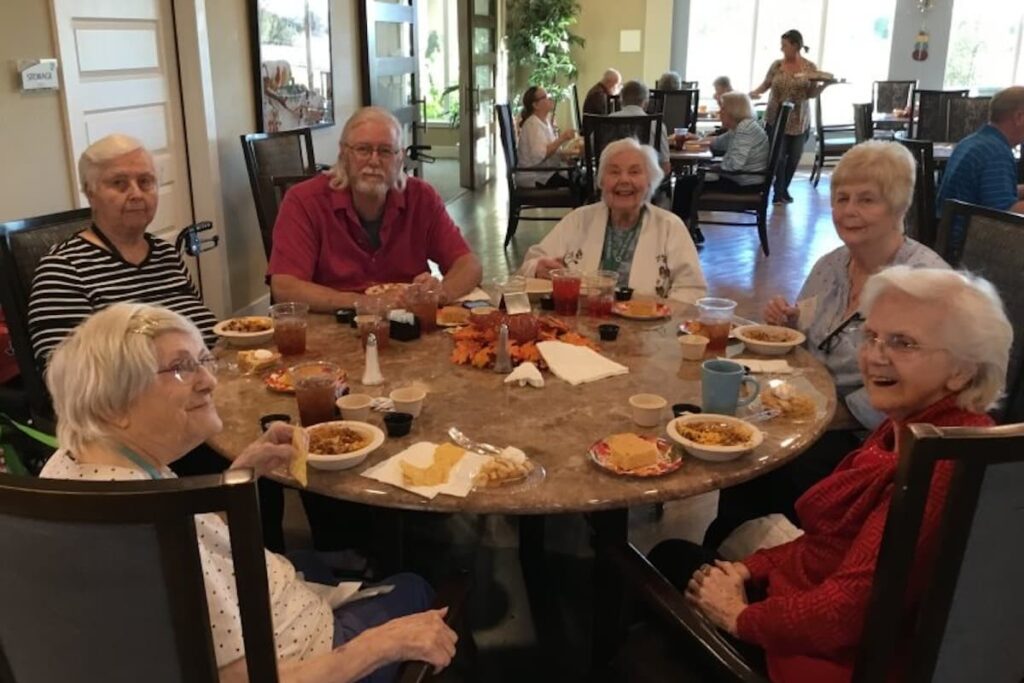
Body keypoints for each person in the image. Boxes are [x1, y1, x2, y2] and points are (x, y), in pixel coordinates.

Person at [39, 303, 458, 682]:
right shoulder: (148, 535)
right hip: (310, 662)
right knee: (414, 584)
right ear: (112, 404)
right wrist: (380, 645)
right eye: (181, 368)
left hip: (268, 611)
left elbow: (196, 545)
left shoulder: (81, 467)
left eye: (204, 360)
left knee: (317, 560)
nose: (207, 381)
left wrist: (243, 472)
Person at [650, 265, 1011, 683]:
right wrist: (753, 567)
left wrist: (740, 616)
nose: (875, 355)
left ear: (963, 370)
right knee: (676, 556)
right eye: (872, 336)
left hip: (826, 659)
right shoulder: (919, 426)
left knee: (656, 567)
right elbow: (826, 546)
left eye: (904, 343)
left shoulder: (936, 467)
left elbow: (843, 613)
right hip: (812, 609)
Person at [703, 141, 949, 550]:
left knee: (779, 463)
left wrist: (829, 415)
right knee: (745, 446)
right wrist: (791, 322)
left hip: (866, 437)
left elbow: (924, 388)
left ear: (898, 207)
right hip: (807, 409)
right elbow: (812, 335)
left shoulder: (922, 284)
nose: (849, 210)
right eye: (842, 198)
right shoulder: (832, 264)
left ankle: (781, 562)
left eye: (867, 200)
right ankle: (726, 550)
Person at [27, 134, 217, 367]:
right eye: (119, 183)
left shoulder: (166, 254)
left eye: (145, 181)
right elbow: (64, 374)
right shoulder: (63, 269)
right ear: (91, 194)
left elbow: (204, 333)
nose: (136, 193)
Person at [267, 106, 482, 312]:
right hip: (332, 325)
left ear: (400, 158)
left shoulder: (422, 198)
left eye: (386, 151)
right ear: (343, 154)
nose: (374, 161)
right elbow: (285, 286)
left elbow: (468, 265)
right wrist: (361, 302)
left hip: (407, 329)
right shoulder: (304, 201)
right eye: (363, 149)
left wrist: (441, 293)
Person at [518, 138, 706, 303]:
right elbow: (530, 264)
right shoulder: (579, 219)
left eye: (634, 172)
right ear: (601, 182)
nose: (624, 180)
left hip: (647, 334)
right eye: (614, 172)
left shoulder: (669, 227)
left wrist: (660, 314)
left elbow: (693, 290)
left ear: (650, 182)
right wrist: (538, 269)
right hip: (580, 329)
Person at [749, 29, 825, 205]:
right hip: (776, 116)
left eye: (785, 45)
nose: (781, 48)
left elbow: (811, 93)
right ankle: (778, 193)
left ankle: (783, 188)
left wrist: (822, 87)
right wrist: (755, 93)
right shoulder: (777, 65)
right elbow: (767, 83)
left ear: (796, 46)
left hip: (799, 118)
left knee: (794, 156)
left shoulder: (809, 67)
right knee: (779, 157)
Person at [671, 92, 769, 227]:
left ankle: (680, 229)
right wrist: (697, 138)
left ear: (732, 110)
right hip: (744, 179)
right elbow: (718, 142)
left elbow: (734, 165)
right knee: (689, 181)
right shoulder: (742, 127)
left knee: (684, 184)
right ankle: (690, 228)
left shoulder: (744, 129)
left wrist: (712, 168)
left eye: (722, 108)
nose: (719, 111)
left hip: (745, 183)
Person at [935, 86, 1024, 220]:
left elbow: (989, 195)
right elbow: (1006, 215)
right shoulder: (996, 154)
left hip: (948, 231)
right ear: (1019, 117)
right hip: (968, 237)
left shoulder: (973, 141)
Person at [516, 85, 577, 189]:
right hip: (535, 176)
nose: (550, 99)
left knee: (580, 176)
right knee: (579, 184)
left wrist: (568, 155)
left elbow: (551, 150)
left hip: (546, 172)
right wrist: (562, 138)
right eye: (545, 97)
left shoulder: (545, 121)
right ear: (535, 105)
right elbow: (540, 155)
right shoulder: (533, 124)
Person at [610, 80, 671, 175]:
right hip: (644, 186)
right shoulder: (656, 124)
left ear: (621, 100)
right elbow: (665, 167)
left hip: (611, 183)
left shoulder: (606, 121)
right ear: (646, 103)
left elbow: (588, 150)